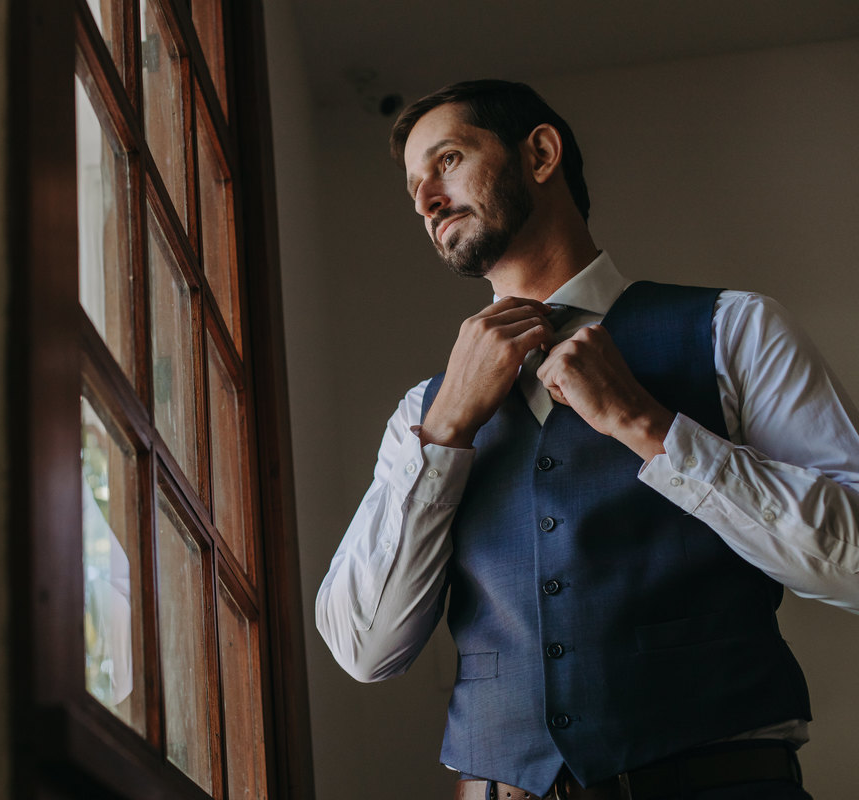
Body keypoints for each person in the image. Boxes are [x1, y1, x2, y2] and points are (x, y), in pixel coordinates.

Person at [315, 79, 859, 800]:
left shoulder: (736, 329)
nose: (426, 200)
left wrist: (650, 428)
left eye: (446, 161)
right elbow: (364, 650)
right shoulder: (426, 410)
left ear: (540, 153)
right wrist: (445, 432)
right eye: (414, 189)